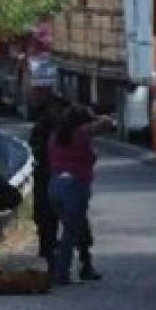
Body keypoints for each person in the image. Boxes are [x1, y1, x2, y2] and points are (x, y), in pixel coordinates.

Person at [47, 104, 115, 284]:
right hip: (74, 187)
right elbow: (107, 123)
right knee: (70, 233)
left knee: (73, 229)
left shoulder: (56, 136)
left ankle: (77, 267)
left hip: (54, 186)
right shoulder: (80, 133)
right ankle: (61, 273)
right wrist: (96, 117)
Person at [29, 93, 67, 271]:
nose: (58, 112)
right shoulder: (42, 128)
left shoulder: (62, 128)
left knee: (63, 217)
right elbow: (37, 153)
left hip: (59, 175)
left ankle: (77, 259)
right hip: (46, 176)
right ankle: (48, 255)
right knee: (46, 217)